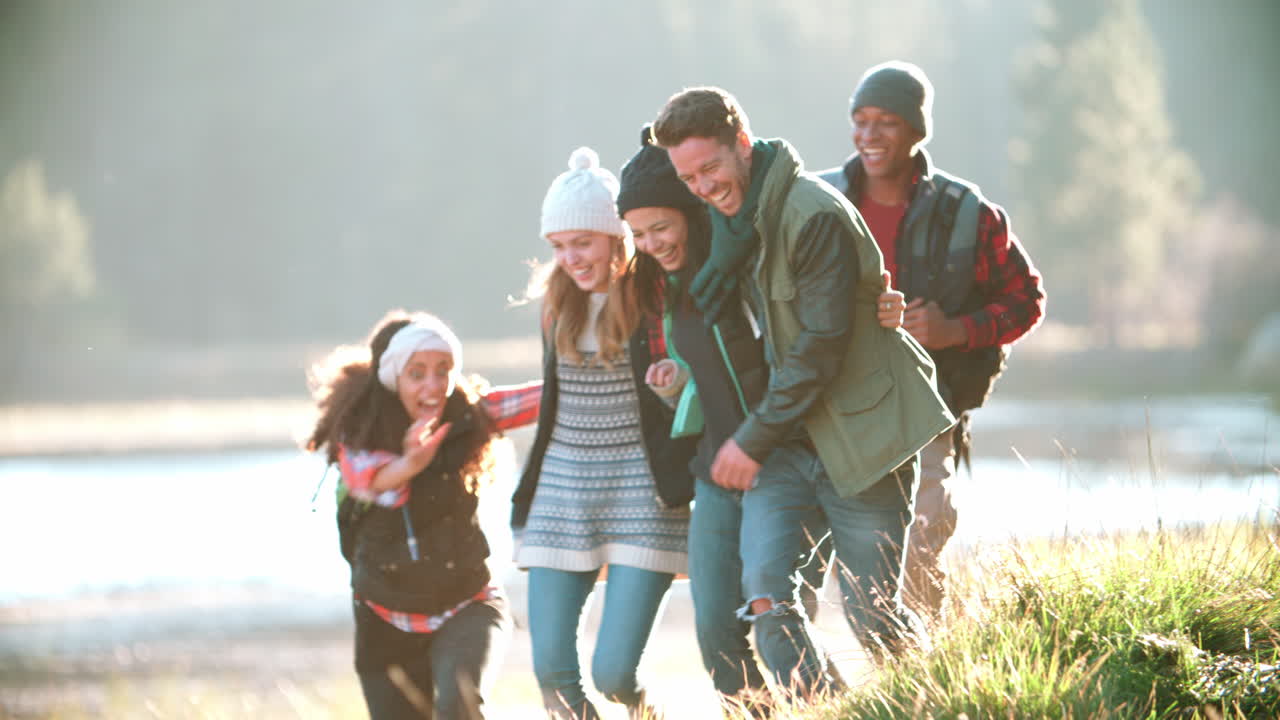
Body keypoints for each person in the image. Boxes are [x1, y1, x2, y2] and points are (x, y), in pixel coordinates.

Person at [651, 86, 955, 695]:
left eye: (710, 167)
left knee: (874, 616)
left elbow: (819, 347)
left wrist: (749, 440)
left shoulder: (809, 213)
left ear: (742, 144)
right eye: (689, 178)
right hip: (790, 445)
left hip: (863, 438)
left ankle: (943, 703)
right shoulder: (729, 226)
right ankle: (831, 709)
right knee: (766, 603)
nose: (704, 187)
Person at [817, 61, 1046, 623]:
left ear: (917, 130)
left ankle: (923, 688)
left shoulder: (966, 211)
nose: (869, 135)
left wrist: (956, 330)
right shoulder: (819, 199)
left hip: (929, 410)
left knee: (918, 550)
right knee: (804, 554)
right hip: (825, 407)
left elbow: (1026, 301)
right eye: (860, 120)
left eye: (886, 122)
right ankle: (808, 695)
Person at [618, 123, 833, 714]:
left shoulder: (747, 264)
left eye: (661, 227)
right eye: (638, 233)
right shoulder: (669, 284)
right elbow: (716, 375)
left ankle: (831, 709)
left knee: (779, 622)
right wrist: (678, 389)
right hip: (716, 470)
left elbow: (810, 341)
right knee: (716, 635)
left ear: (691, 211)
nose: (651, 243)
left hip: (789, 462)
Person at [510, 146, 697, 719]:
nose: (571, 258)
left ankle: (646, 711)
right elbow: (551, 398)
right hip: (562, 494)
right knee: (554, 680)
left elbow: (690, 381)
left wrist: (673, 384)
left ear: (615, 236)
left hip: (643, 491)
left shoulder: (653, 295)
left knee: (614, 675)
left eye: (582, 243)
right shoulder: (553, 305)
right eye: (559, 247)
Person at [305, 310, 541, 720]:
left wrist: (591, 373)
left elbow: (542, 397)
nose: (433, 385)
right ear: (394, 378)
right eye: (418, 373)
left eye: (444, 370)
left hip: (469, 603)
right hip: (384, 618)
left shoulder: (470, 414)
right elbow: (370, 481)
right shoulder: (360, 435)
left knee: (459, 706)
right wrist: (412, 461)